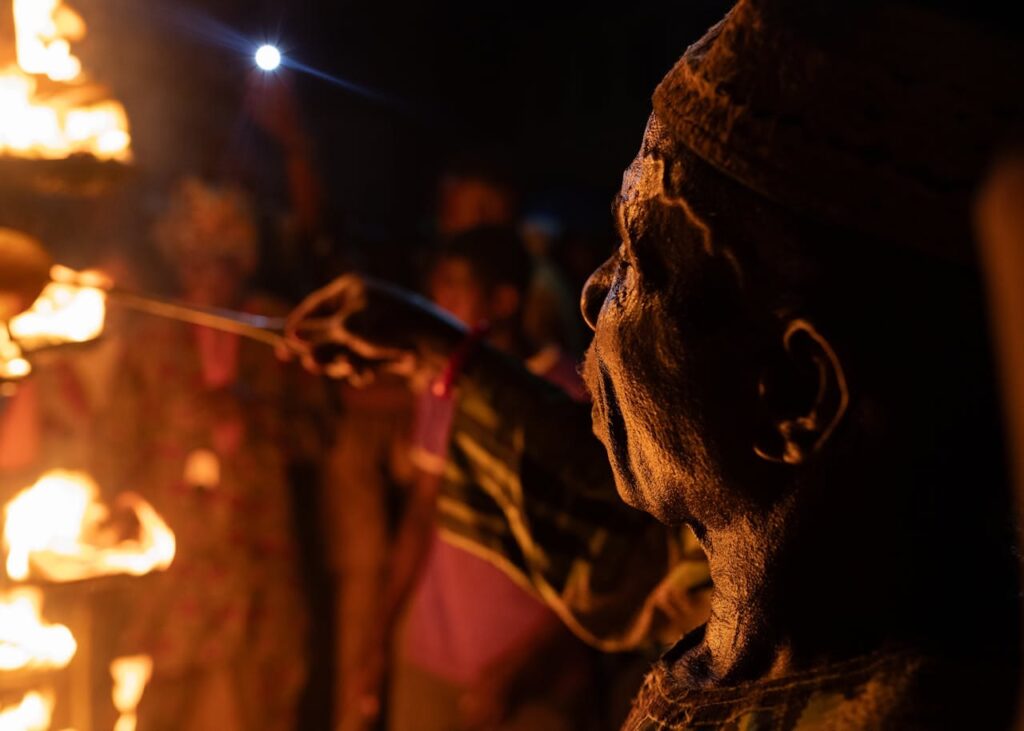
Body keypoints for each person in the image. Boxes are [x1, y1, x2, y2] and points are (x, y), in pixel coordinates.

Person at [284, 0, 1023, 728]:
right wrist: (434, 347)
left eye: (638, 257)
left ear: (794, 391)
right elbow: (627, 543)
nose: (591, 290)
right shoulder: (766, 600)